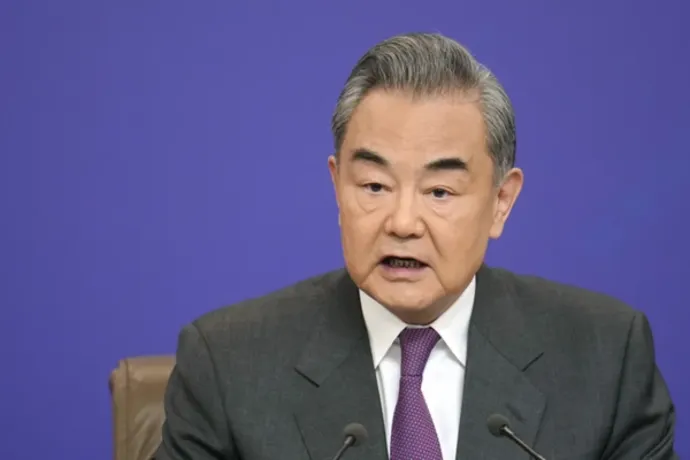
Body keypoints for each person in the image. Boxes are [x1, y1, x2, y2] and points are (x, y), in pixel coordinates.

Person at [154, 32, 677, 460]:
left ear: (501, 201)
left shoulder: (605, 357)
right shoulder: (226, 366)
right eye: (374, 186)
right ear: (337, 187)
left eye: (439, 192)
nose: (403, 223)